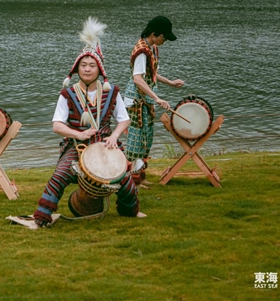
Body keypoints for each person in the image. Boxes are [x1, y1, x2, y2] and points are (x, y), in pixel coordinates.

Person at [33, 17, 145, 227]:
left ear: (99, 70)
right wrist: (78, 134)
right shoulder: (67, 94)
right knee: (60, 175)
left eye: (91, 65)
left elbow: (124, 120)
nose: (86, 69)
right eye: (83, 65)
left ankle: (130, 211)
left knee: (125, 180)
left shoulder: (111, 92)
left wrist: (114, 136)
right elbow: (57, 125)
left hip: (107, 143)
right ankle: (42, 216)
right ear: (77, 69)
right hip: (77, 145)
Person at [123, 16, 184, 188]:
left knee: (146, 139)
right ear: (154, 34)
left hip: (146, 100)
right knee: (136, 140)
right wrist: (157, 98)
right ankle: (132, 181)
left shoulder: (152, 48)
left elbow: (151, 75)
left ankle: (140, 176)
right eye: (164, 37)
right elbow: (137, 79)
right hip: (136, 101)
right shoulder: (141, 51)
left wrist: (170, 82)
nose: (165, 40)